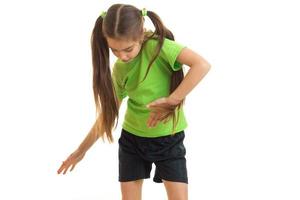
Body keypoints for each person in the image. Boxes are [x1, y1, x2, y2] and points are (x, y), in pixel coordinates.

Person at [57, 3, 211, 200]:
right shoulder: (120, 69)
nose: (122, 56)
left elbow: (202, 65)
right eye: (114, 50)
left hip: (169, 140)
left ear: (140, 35)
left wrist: (173, 100)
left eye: (128, 49)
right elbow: (108, 115)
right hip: (132, 142)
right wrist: (80, 151)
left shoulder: (159, 48)